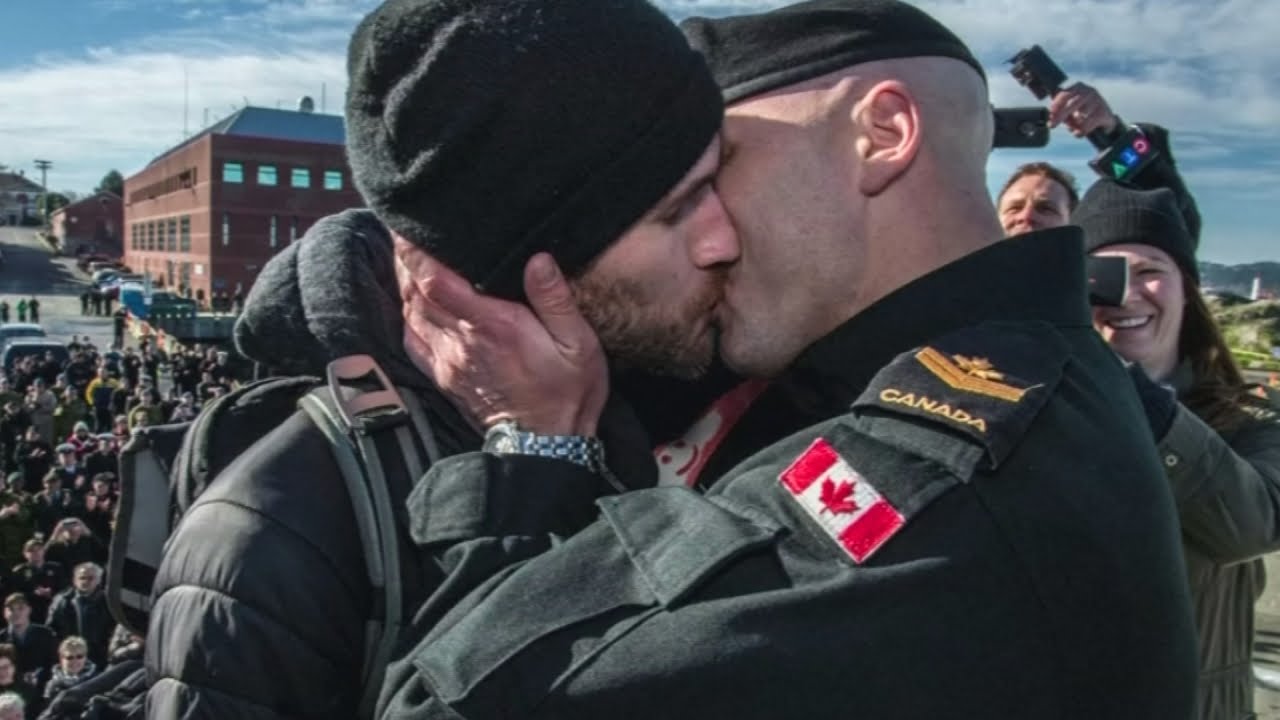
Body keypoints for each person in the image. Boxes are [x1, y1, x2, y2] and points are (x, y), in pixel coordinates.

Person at [378, 1, 1198, 718]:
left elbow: (450, 702)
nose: (710, 234)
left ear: (883, 134)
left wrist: (537, 448)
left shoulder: (940, 482)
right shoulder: (1017, 373)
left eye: (717, 169)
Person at [142, 0, 737, 717]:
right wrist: (539, 461)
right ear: (522, 268)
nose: (723, 238)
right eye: (677, 209)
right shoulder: (269, 539)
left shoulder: (690, 383)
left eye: (720, 179)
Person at [1076, 179, 1280, 720]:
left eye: (1150, 272)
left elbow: (1250, 524)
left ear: (1187, 287)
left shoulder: (1250, 413)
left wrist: (1127, 387)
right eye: (1105, 274)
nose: (1128, 294)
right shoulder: (1048, 405)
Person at [995, 83, 1199, 239]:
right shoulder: (969, 279)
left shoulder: (1095, 287)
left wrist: (1115, 138)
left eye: (1046, 208)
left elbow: (1175, 226)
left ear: (1072, 223)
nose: (1026, 216)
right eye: (1014, 208)